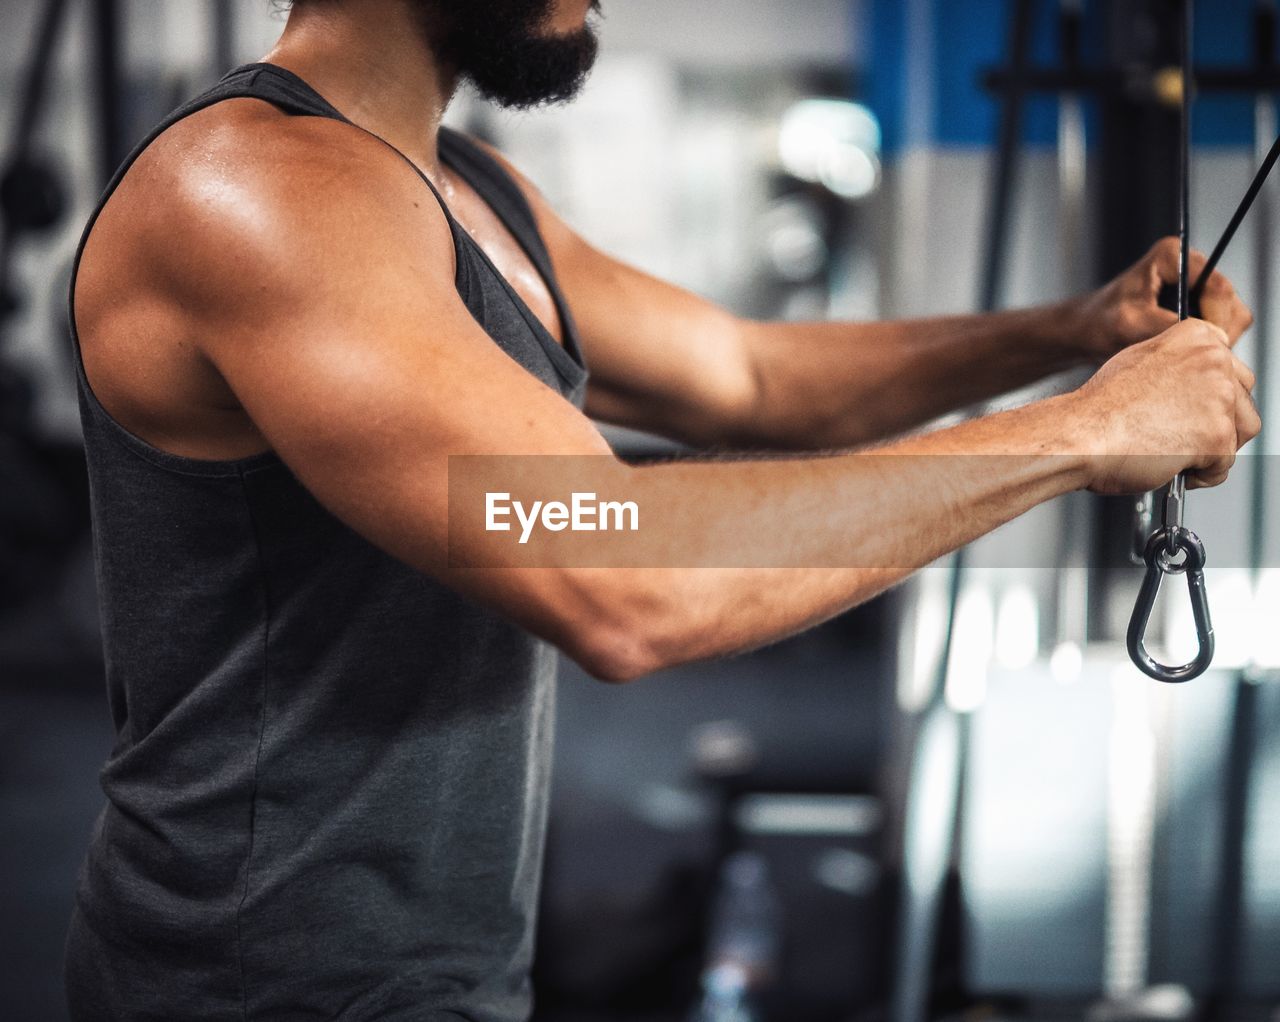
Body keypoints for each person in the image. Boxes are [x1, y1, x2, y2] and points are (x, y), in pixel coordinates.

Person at [63, 0, 1259, 1018]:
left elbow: (749, 376)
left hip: (445, 962)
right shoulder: (259, 192)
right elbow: (617, 570)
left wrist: (1069, 332)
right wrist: (1085, 431)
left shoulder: (464, 188)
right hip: (260, 980)